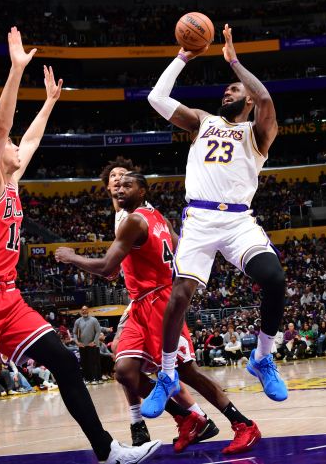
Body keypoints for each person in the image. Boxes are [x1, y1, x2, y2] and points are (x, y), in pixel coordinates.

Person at [0, 27, 160, 464]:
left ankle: (107, 451)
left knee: (63, 361)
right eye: (7, 144)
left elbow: (30, 139)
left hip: (9, 297)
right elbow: (3, 125)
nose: (15, 147)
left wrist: (49, 104)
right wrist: (15, 71)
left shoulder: (10, 179)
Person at [56, 173, 260, 455]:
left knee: (187, 371)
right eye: (118, 185)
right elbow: (180, 247)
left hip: (159, 302)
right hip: (140, 303)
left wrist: (71, 257)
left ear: (142, 192)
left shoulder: (135, 221)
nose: (121, 189)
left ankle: (243, 423)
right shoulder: (157, 217)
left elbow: (105, 268)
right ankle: (187, 417)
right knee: (125, 372)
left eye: (129, 185)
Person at [143, 23, 288, 413]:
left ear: (247, 101)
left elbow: (266, 97)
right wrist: (181, 58)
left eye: (234, 89)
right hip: (200, 221)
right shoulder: (203, 121)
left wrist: (234, 61)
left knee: (275, 280)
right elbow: (156, 97)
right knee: (178, 299)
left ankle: (261, 357)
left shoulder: (258, 132)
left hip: (239, 222)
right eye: (226, 87)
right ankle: (168, 373)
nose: (228, 89)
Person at [98, 159, 218, 447]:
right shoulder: (124, 217)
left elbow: (113, 264)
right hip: (142, 296)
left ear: (137, 189)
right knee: (130, 363)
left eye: (124, 178)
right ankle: (156, 419)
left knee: (158, 366)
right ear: (107, 186)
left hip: (152, 296)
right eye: (113, 177)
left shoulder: (138, 217)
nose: (118, 180)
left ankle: (185, 417)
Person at [74, 306, 102, 384]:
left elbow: (98, 331)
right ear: (81, 311)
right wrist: (77, 342)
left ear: (88, 310)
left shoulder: (94, 320)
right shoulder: (78, 321)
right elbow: (74, 333)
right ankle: (87, 379)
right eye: (82, 310)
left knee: (94, 362)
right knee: (84, 363)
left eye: (85, 309)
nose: (84, 311)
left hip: (93, 345)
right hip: (82, 345)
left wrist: (94, 341)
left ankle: (96, 378)